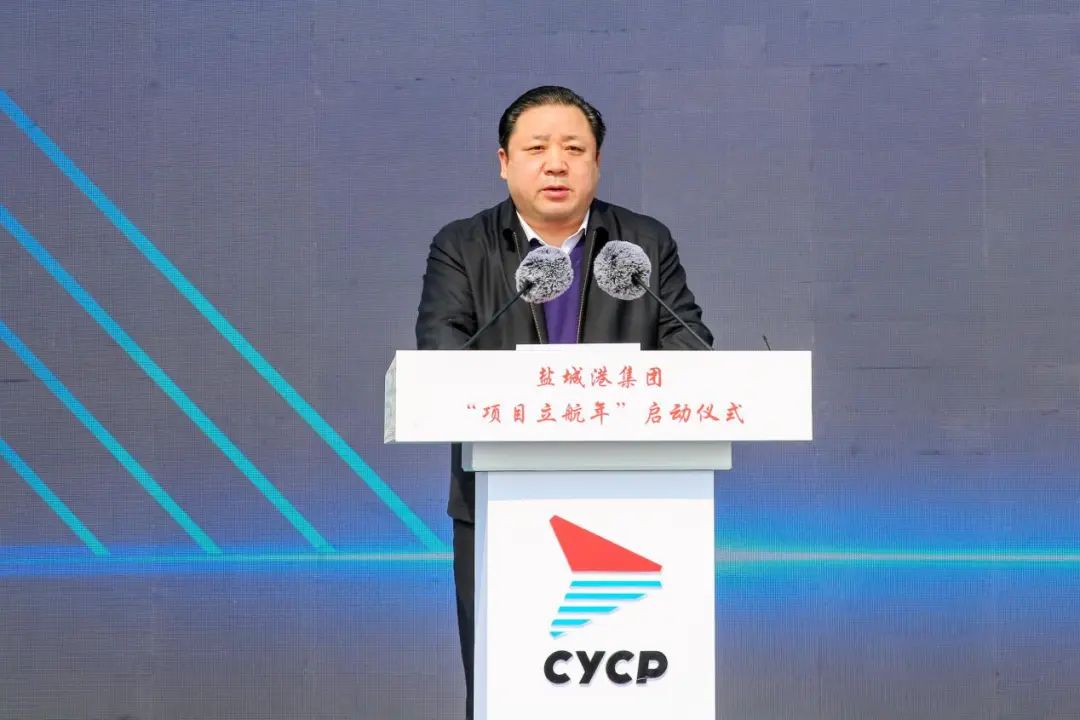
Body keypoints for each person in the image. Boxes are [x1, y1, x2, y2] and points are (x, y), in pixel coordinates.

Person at [415, 85, 713, 719]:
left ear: (596, 162)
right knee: (507, 687)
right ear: (504, 162)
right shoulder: (462, 246)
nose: (556, 164)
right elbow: (443, 356)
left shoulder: (642, 243)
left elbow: (689, 347)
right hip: (497, 505)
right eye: (537, 149)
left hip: (632, 509)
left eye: (574, 149)